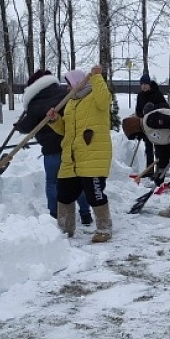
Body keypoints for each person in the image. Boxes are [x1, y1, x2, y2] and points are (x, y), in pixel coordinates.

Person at [14, 69, 93, 226]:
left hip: (51, 149)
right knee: (76, 181)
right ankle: (85, 214)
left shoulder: (35, 103)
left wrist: (18, 125)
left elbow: (27, 126)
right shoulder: (66, 94)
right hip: (70, 146)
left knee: (52, 182)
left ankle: (54, 215)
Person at [47, 64, 113, 243]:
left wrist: (97, 77)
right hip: (71, 158)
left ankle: (104, 228)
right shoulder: (71, 103)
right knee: (64, 194)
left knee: (95, 194)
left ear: (79, 83)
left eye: (69, 84)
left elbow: (104, 100)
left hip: (92, 155)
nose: (67, 88)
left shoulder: (95, 96)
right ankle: (65, 229)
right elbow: (65, 130)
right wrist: (55, 120)